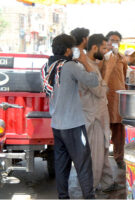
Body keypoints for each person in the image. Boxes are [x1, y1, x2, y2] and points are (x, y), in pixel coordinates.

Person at [41, 34, 98, 199]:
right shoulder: (69, 66)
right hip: (74, 125)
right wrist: (85, 62)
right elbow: (93, 81)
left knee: (61, 165)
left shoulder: (46, 67)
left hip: (57, 125)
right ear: (67, 50)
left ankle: (63, 197)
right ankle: (89, 197)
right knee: (83, 164)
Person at [79, 34, 123, 193]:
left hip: (100, 114)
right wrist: (109, 69)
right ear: (95, 48)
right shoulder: (84, 66)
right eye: (104, 48)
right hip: (93, 117)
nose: (107, 51)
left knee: (103, 150)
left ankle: (106, 183)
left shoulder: (93, 63)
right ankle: (89, 188)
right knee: (95, 155)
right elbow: (99, 91)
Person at [103, 31, 127, 169]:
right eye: (112, 40)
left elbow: (123, 77)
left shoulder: (122, 59)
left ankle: (119, 158)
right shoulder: (101, 58)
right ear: (107, 42)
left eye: (117, 41)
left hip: (118, 100)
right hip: (105, 99)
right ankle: (102, 159)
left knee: (119, 131)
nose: (114, 43)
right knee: (103, 130)